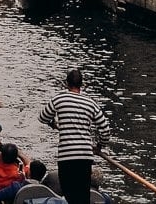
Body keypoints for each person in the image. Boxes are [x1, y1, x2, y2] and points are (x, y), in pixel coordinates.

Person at [38, 68, 108, 204]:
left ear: (66, 84)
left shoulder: (59, 99)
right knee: (83, 195)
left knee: (69, 196)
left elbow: (42, 117)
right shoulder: (91, 103)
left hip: (67, 157)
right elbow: (105, 129)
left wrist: (52, 123)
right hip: (85, 157)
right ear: (82, 85)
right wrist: (99, 146)